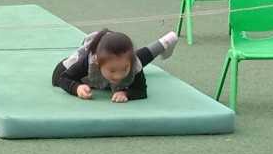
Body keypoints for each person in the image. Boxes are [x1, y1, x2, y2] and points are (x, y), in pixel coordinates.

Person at [51, 29, 180, 103]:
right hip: (87, 58)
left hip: (118, 59)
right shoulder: (89, 62)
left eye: (124, 69)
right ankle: (163, 43)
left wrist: (125, 92)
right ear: (98, 63)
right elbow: (62, 78)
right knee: (56, 78)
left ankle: (164, 43)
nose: (118, 76)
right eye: (112, 70)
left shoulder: (133, 63)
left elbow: (141, 91)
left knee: (133, 60)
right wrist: (77, 88)